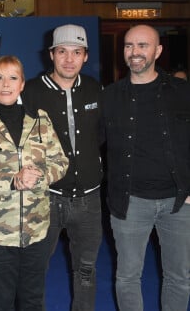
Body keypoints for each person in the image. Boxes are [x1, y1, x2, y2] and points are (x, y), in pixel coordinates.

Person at [0, 55, 68, 310]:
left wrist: (39, 175)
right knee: (1, 301)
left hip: (37, 229)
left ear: (22, 84)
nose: (6, 84)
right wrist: (12, 181)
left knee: (32, 300)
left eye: (13, 78)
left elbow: (61, 162)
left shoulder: (40, 120)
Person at [101, 24, 190, 311]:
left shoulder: (182, 91)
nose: (135, 52)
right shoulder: (109, 97)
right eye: (129, 46)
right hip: (130, 202)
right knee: (127, 276)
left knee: (179, 277)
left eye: (143, 45)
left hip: (179, 202)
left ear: (158, 51)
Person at [22, 24, 103, 311]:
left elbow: (101, 136)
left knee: (86, 270)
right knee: (36, 270)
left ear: (85, 56)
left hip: (90, 199)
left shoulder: (95, 89)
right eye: (62, 52)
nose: (69, 59)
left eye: (76, 52)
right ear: (51, 55)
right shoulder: (30, 91)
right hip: (47, 198)